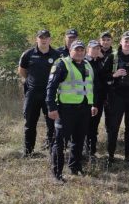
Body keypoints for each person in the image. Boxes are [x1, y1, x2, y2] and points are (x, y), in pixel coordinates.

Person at [46, 40, 98, 183]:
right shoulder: (61, 64)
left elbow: (89, 87)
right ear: (70, 50)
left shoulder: (87, 64)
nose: (80, 52)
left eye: (82, 50)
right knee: (60, 142)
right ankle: (57, 173)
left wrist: (92, 104)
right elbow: (51, 87)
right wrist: (51, 107)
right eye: (77, 50)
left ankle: (75, 167)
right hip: (65, 110)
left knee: (79, 140)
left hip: (84, 109)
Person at [18, 29, 60, 157]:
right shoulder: (28, 54)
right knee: (30, 123)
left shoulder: (56, 55)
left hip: (50, 94)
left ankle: (52, 151)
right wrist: (31, 82)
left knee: (52, 123)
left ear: (50, 39)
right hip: (33, 93)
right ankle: (28, 152)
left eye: (46, 37)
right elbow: (22, 70)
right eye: (41, 37)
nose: (44, 39)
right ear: (37, 39)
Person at [105, 31, 129, 164]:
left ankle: (128, 155)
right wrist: (114, 75)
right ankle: (110, 155)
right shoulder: (113, 56)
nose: (128, 44)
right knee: (113, 126)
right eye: (125, 41)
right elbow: (101, 76)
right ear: (121, 42)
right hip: (117, 96)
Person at [85, 40, 108, 158]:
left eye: (98, 48)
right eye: (93, 48)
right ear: (88, 49)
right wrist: (92, 102)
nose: (95, 51)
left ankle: (91, 152)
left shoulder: (100, 62)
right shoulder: (84, 62)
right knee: (86, 127)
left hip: (99, 100)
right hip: (87, 101)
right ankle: (86, 152)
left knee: (94, 126)